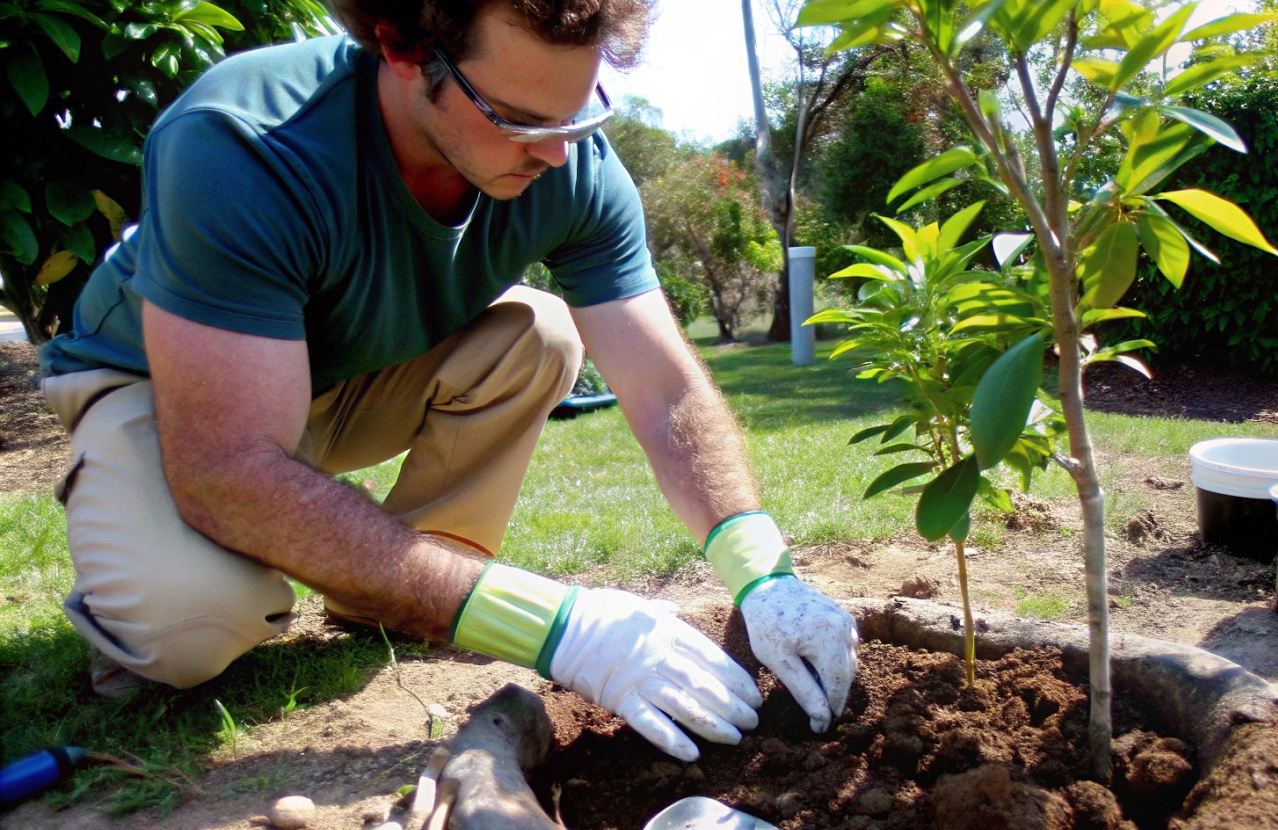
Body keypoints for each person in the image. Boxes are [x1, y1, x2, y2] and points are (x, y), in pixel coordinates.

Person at [34, 0, 858, 763]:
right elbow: (228, 470)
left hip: (338, 379)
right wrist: (559, 630)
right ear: (400, 43)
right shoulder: (244, 140)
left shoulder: (568, 160)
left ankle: (396, 596)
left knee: (538, 334)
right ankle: (143, 583)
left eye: (580, 110)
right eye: (518, 118)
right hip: (163, 389)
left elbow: (665, 389)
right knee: (194, 622)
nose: (557, 151)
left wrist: (764, 574)